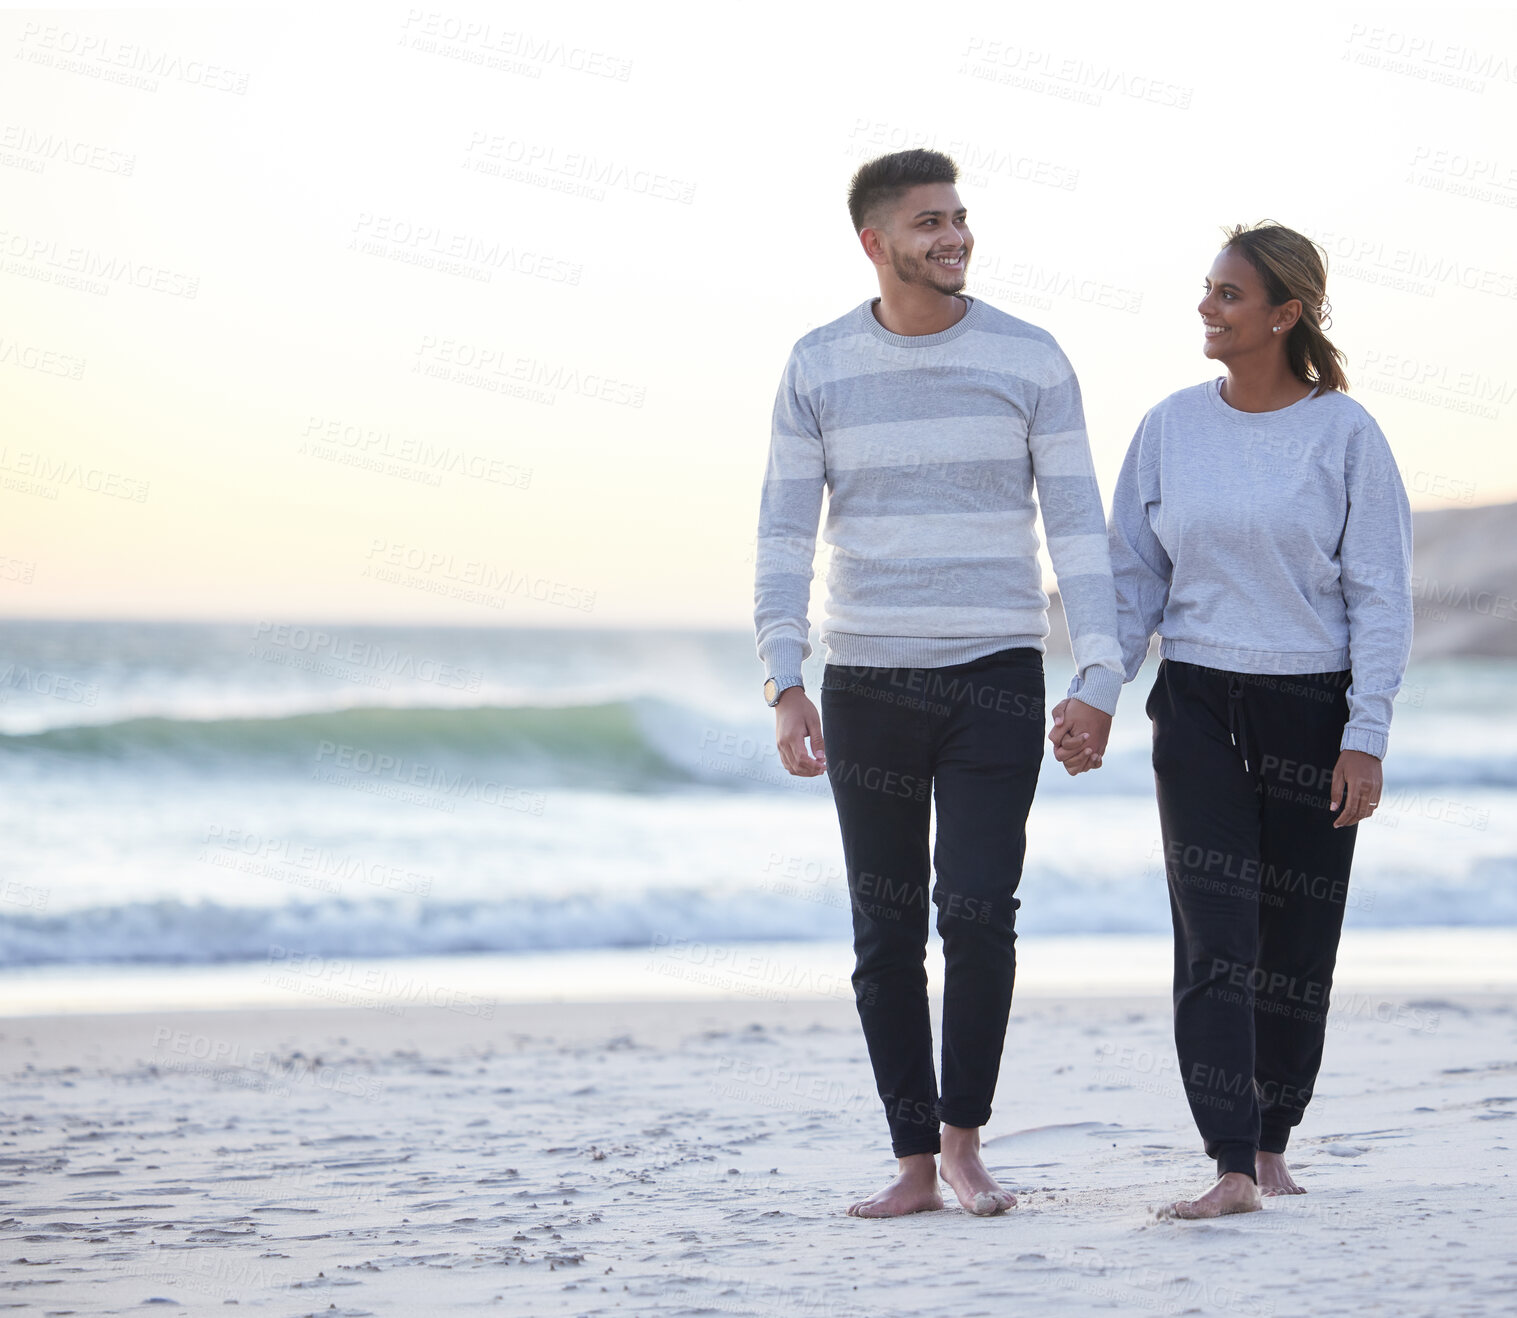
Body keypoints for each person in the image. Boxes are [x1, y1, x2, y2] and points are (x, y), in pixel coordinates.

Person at [753, 148, 1124, 1218]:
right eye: (928, 222)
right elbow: (783, 532)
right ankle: (911, 1158)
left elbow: (1078, 529)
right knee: (883, 929)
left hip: (995, 675)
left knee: (976, 912)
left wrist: (1095, 671)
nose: (952, 236)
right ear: (874, 243)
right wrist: (786, 677)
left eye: (959, 217)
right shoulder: (818, 364)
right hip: (865, 676)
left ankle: (964, 1140)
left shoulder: (1029, 358)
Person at [1050, 220, 1413, 1218]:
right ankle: (1227, 1164)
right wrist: (1097, 685)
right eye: (1206, 290)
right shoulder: (1169, 427)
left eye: (1227, 295)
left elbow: (1379, 594)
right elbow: (1131, 574)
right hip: (1199, 701)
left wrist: (1363, 734)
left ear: (1283, 313)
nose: (1205, 308)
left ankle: (1269, 1136)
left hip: (1311, 705)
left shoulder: (1344, 435)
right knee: (1214, 935)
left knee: (1296, 937)